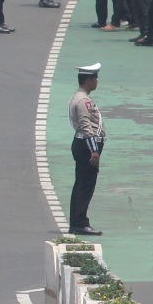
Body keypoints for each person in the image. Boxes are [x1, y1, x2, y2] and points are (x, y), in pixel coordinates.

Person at [68, 63, 104, 235]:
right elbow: (86, 127)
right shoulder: (83, 101)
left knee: (81, 184)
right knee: (85, 186)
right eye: (95, 78)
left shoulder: (79, 97)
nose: (97, 81)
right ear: (89, 80)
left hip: (83, 145)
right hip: (87, 146)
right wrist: (94, 150)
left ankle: (76, 222)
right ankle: (80, 223)